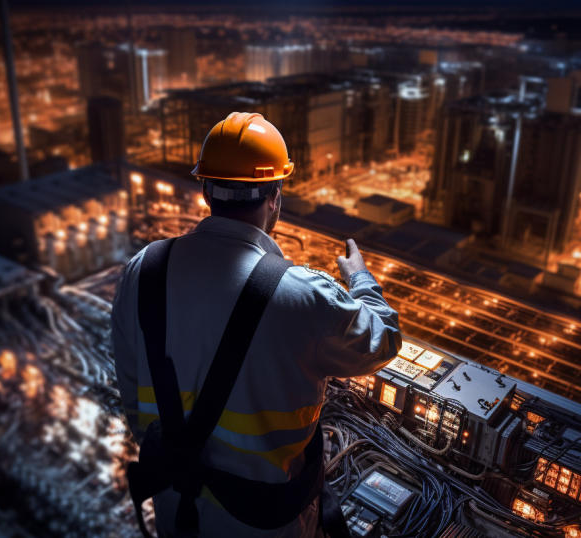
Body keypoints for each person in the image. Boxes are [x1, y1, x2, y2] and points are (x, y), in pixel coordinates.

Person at [111, 112, 402, 537]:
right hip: (267, 524)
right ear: (275, 196)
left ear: (207, 190)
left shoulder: (143, 270)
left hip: (178, 511)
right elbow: (384, 339)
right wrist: (359, 279)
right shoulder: (302, 296)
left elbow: (134, 399)